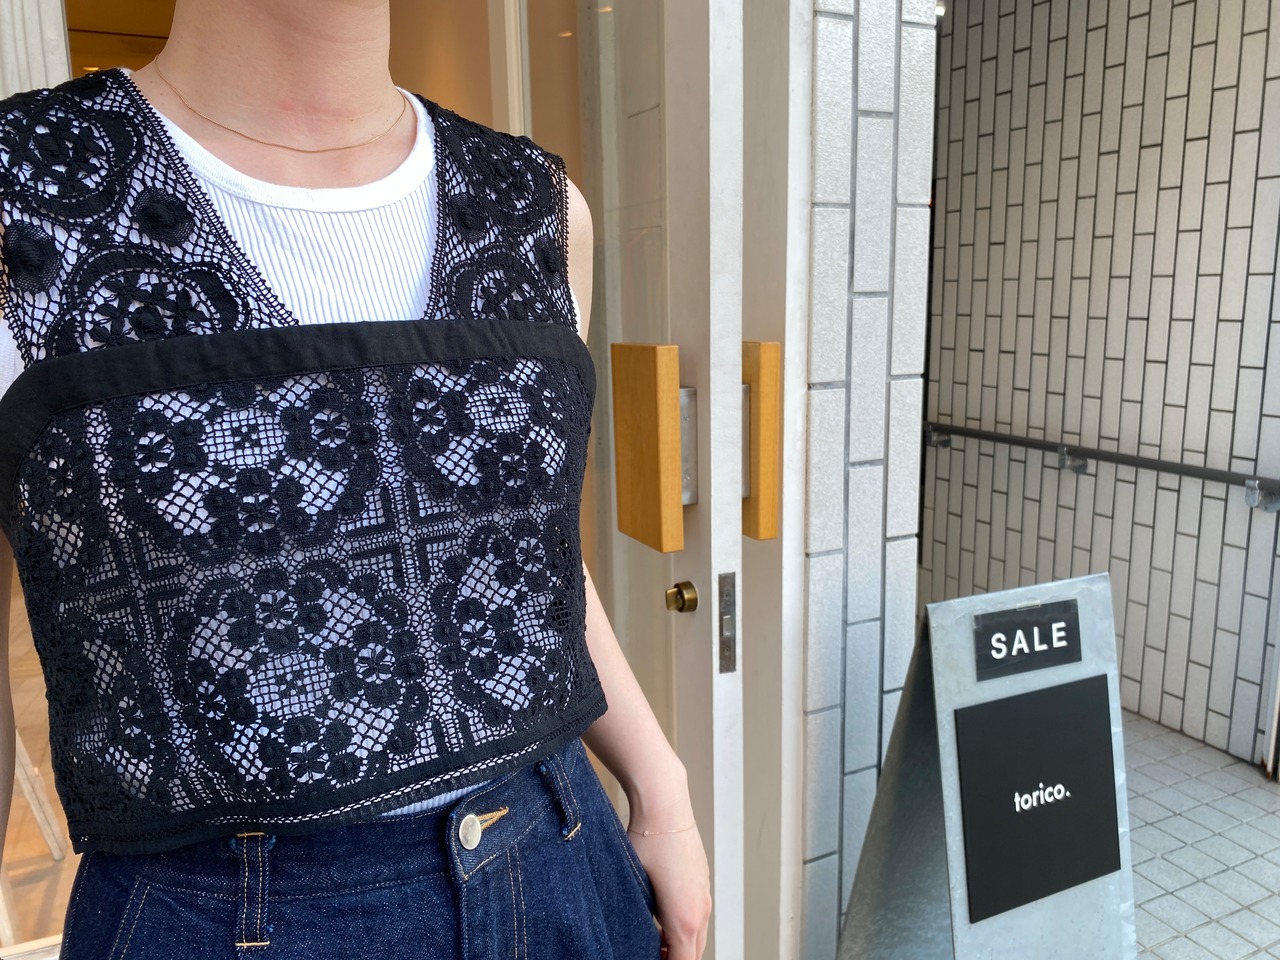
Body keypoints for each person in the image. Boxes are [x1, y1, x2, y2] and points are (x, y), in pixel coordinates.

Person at [0, 1, 711, 957]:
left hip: (563, 857)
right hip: (221, 912)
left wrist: (662, 789)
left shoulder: (537, 207)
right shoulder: (25, 194)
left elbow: (530, 566)